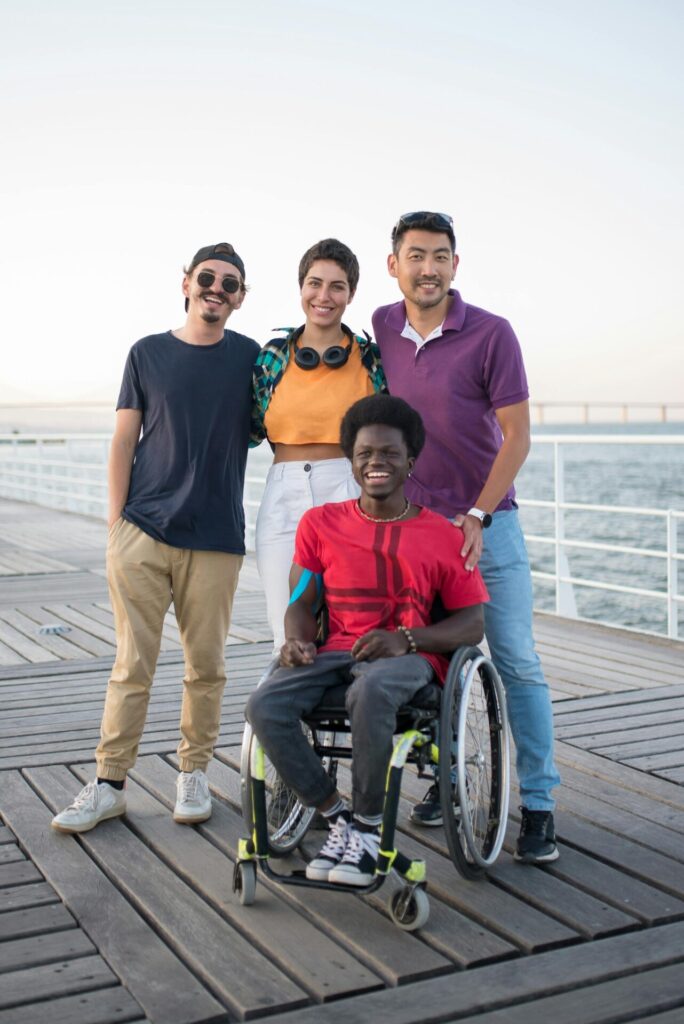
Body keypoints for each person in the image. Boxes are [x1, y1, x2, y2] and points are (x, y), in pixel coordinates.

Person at [372, 211, 561, 864]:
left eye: (441, 256)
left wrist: (478, 515)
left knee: (517, 664)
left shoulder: (491, 333)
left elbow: (518, 437)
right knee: (432, 665)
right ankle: (447, 778)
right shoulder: (380, 330)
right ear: (393, 263)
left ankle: (538, 804)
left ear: (457, 265)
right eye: (416, 255)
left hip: (490, 528)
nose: (429, 268)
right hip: (418, 536)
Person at [52, 243, 259, 834]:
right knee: (130, 666)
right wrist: (116, 525)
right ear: (187, 282)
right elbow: (123, 440)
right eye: (208, 278)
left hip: (216, 537)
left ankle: (192, 773)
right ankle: (110, 783)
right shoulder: (147, 352)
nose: (217, 288)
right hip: (142, 532)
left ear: (241, 297)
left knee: (207, 667)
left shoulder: (251, 358)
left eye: (231, 283)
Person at [246, 394, 488, 885]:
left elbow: (472, 625)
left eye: (389, 454)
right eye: (364, 455)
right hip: (335, 650)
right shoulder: (321, 523)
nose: (376, 462)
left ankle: (369, 827)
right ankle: (339, 819)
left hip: (409, 663)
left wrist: (407, 639)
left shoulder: (442, 534)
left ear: (410, 461)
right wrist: (296, 639)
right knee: (264, 705)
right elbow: (301, 600)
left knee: (371, 690)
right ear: (353, 463)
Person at [251, 238, 386, 651]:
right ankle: (272, 716)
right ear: (300, 287)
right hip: (283, 493)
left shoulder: (370, 361)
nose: (323, 296)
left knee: (350, 629)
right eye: (315, 283)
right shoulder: (272, 358)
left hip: (347, 491)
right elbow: (253, 428)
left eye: (337, 286)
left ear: (351, 294)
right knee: (286, 631)